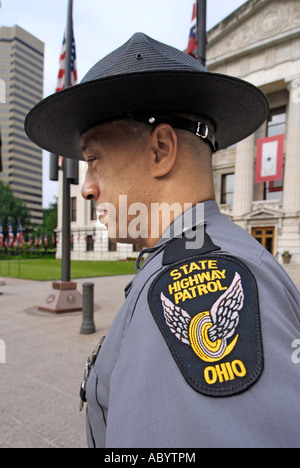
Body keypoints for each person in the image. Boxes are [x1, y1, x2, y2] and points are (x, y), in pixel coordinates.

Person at [25, 33, 300, 449]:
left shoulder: (197, 280)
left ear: (161, 150)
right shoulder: (195, 256)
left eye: (94, 159)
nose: (86, 187)